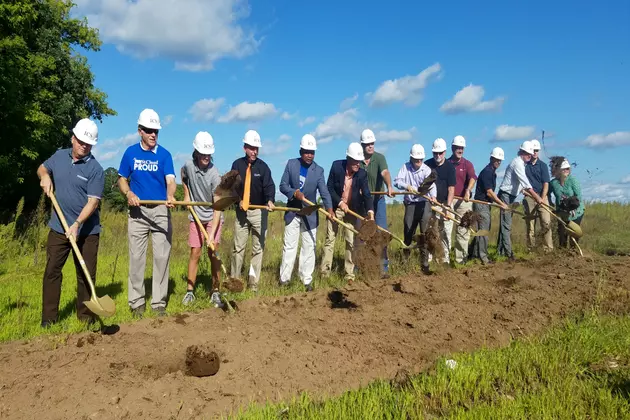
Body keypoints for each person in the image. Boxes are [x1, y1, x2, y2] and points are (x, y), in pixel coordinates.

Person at [37, 118, 104, 328]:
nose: (84, 146)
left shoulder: (96, 169)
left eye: (88, 143)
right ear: (73, 138)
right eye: (81, 141)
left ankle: (85, 319)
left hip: (87, 232)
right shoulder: (59, 156)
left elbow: (92, 203)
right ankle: (49, 319)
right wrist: (45, 176)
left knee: (85, 274)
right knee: (52, 271)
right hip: (58, 227)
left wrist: (76, 224)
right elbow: (41, 168)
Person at [117, 109, 176, 318]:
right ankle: (136, 302)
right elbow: (122, 179)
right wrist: (128, 193)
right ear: (140, 131)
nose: (153, 135)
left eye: (156, 131)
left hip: (160, 210)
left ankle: (159, 303)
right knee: (136, 258)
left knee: (161, 257)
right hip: (137, 211)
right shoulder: (130, 153)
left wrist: (170, 195)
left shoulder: (165, 155)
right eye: (149, 131)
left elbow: (171, 180)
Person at [278, 134, 333, 291]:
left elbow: (324, 192)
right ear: (301, 151)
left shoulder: (319, 171)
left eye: (312, 152)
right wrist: (294, 193)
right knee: (290, 246)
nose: (309, 155)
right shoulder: (291, 164)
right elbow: (282, 185)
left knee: (309, 246)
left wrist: (329, 209)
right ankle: (284, 280)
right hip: (293, 212)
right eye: (307, 151)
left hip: (310, 213)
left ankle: (306, 280)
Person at [180, 132, 224, 306]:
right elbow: (183, 174)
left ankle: (216, 291)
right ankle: (190, 292)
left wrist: (212, 234)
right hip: (195, 214)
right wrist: (186, 194)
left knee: (213, 253)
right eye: (203, 153)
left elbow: (218, 207)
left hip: (213, 216)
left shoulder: (215, 175)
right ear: (196, 152)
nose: (206, 157)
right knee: (195, 253)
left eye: (209, 154)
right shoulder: (189, 166)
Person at [321, 142, 374, 281]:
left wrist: (370, 212)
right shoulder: (336, 166)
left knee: (350, 241)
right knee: (330, 240)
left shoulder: (362, 174)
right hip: (335, 208)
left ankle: (349, 274)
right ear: (348, 159)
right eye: (356, 162)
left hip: (351, 210)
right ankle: (325, 273)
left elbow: (367, 194)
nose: (358, 164)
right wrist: (339, 203)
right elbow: (329, 188)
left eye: (359, 162)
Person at [230, 130, 276, 292]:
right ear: (244, 148)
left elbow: (269, 187)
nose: (254, 151)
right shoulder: (237, 165)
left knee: (258, 249)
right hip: (241, 212)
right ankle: (234, 281)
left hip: (259, 212)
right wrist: (239, 199)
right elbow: (232, 187)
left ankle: (253, 284)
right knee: (238, 248)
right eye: (251, 148)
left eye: (256, 148)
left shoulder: (263, 167)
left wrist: (270, 200)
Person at [393, 144, 437, 274]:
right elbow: (396, 181)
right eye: (416, 160)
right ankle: (405, 261)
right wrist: (407, 186)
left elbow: (432, 186)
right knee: (408, 230)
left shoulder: (426, 170)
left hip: (424, 203)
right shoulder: (405, 168)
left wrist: (433, 197)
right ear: (411, 158)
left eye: (421, 160)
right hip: (411, 203)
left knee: (424, 233)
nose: (419, 162)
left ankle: (424, 263)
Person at [496, 141, 543, 260]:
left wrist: (531, 195)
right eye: (528, 153)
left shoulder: (522, 164)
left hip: (511, 196)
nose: (530, 156)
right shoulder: (517, 163)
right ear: (522, 152)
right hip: (505, 196)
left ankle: (500, 252)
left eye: (530, 154)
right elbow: (525, 182)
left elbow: (521, 187)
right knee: (506, 226)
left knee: (505, 225)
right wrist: (537, 197)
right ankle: (509, 254)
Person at [359, 129, 394, 278]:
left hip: (377, 200)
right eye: (367, 144)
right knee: (362, 234)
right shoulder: (357, 159)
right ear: (362, 145)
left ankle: (383, 268)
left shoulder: (379, 158)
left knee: (382, 233)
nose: (370, 146)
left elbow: (384, 172)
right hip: (361, 202)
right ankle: (361, 267)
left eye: (372, 143)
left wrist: (389, 186)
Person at [469, 147, 509, 265]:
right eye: (496, 160)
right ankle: (484, 258)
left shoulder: (492, 172)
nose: (498, 162)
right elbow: (489, 192)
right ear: (491, 158)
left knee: (481, 231)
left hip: (484, 204)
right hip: (482, 204)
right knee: (484, 232)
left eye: (500, 160)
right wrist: (502, 204)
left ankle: (475, 254)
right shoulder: (487, 172)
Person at [425, 138, 457, 264]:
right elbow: (424, 186)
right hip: (431, 204)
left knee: (446, 232)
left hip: (445, 203)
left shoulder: (450, 167)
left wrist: (447, 208)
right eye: (435, 153)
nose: (438, 156)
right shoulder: (427, 165)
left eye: (440, 153)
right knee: (431, 232)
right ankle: (429, 259)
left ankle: (445, 260)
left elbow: (451, 189)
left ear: (444, 152)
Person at [447, 135, 477, 264]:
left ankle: (461, 259)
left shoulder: (467, 164)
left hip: (463, 201)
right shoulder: (447, 163)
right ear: (452, 148)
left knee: (463, 230)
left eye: (462, 148)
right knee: (446, 230)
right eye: (457, 147)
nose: (460, 150)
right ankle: (445, 260)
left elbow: (473, 178)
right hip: (449, 200)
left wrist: (468, 190)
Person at [523, 139, 552, 252]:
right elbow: (523, 184)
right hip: (529, 198)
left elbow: (546, 184)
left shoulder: (543, 166)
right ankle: (531, 249)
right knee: (530, 226)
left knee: (546, 223)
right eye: (533, 150)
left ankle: (548, 248)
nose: (535, 152)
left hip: (542, 198)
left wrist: (543, 198)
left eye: (536, 150)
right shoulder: (525, 166)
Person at [549, 159, 585, 248]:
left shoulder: (573, 180)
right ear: (558, 170)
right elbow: (547, 193)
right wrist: (550, 202)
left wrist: (570, 208)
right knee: (562, 234)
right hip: (561, 212)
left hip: (576, 212)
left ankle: (573, 252)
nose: (566, 171)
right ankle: (562, 253)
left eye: (567, 169)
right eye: (563, 169)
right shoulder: (553, 183)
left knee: (574, 233)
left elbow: (579, 197)